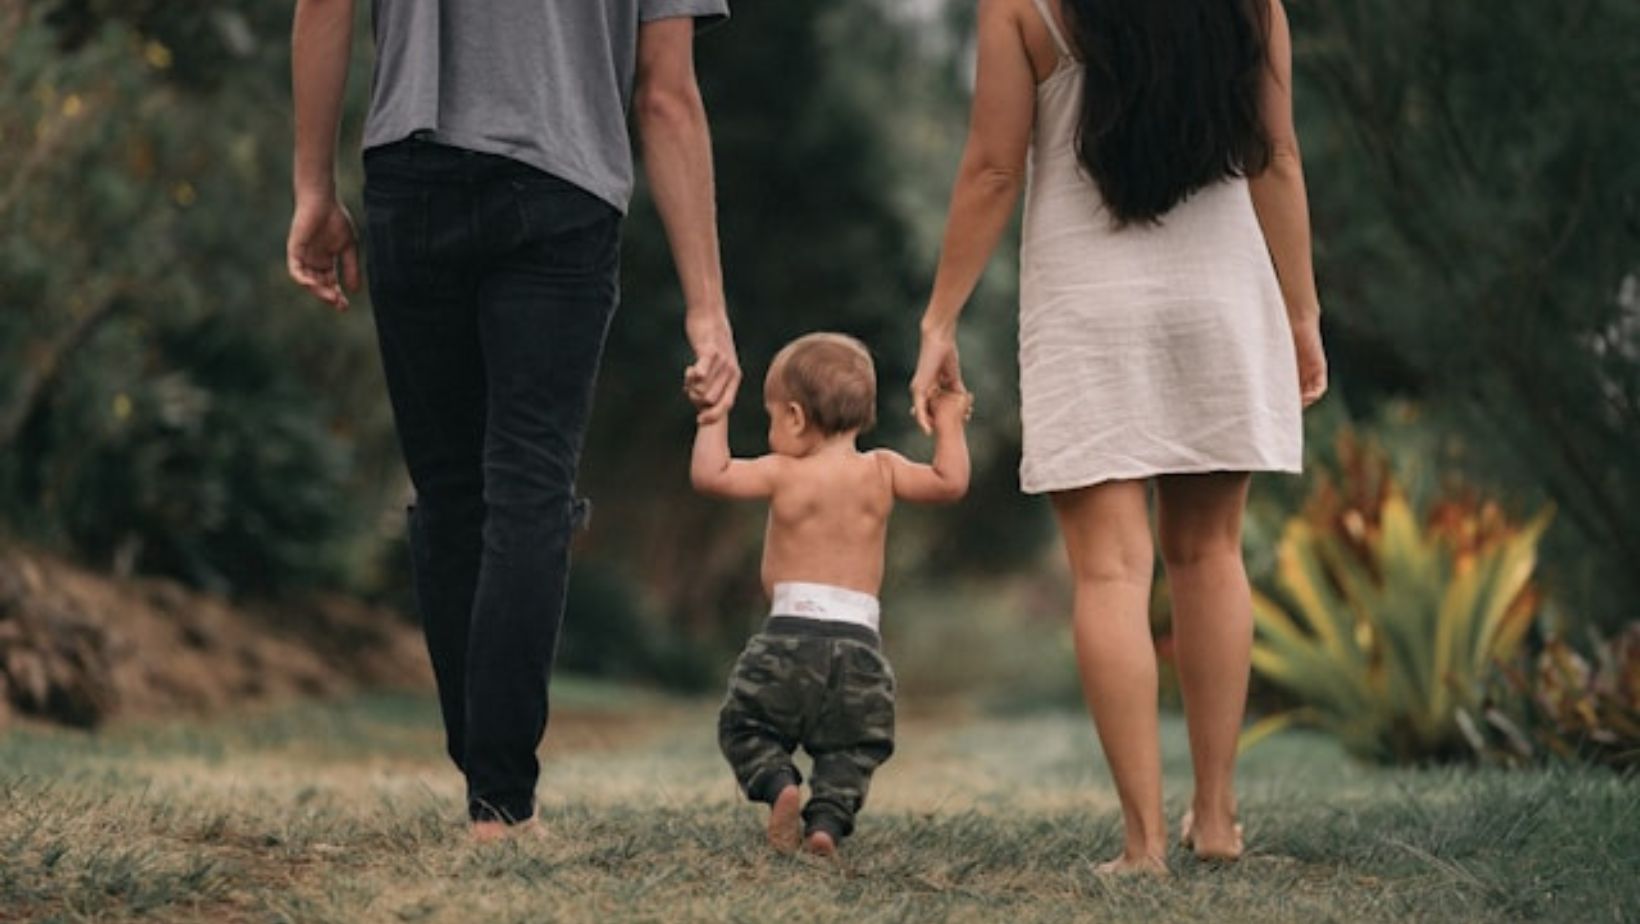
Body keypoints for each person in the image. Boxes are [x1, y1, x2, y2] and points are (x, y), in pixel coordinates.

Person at [285, 0, 741, 841]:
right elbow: (666, 94)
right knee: (529, 489)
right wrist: (707, 307)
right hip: (564, 190)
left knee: (452, 492)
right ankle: (499, 801)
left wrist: (314, 188)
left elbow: (323, 8)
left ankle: (489, 788)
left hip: (411, 175)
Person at [910, 0, 1328, 874]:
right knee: (1210, 553)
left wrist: (940, 319)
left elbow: (992, 170)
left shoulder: (1020, 8)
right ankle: (1215, 818)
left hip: (1087, 308)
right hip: (1219, 298)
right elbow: (1277, 158)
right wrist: (1301, 312)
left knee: (1108, 569)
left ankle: (1142, 846)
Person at [689, 333, 972, 856]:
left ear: (795, 417)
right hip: (860, 649)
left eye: (772, 417)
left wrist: (714, 412)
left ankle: (780, 784)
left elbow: (711, 475)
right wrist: (949, 415)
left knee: (746, 724)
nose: (772, 430)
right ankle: (826, 825)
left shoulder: (784, 471)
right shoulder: (884, 470)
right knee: (852, 750)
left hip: (787, 639)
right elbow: (949, 482)